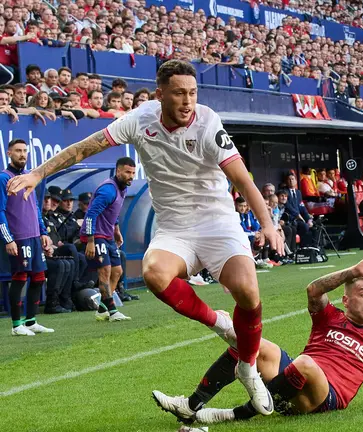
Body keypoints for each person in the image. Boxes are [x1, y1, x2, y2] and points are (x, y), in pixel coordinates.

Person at [6, 60, 281, 415]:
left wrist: (268, 224)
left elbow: (241, 179)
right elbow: (84, 148)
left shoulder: (208, 121)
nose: (188, 102)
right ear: (160, 94)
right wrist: (36, 174)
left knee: (248, 291)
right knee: (154, 274)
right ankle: (218, 322)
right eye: (179, 93)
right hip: (174, 227)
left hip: (218, 222)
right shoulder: (139, 120)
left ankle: (247, 367)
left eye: (193, 93)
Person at [152, 257, 363, 424]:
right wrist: (351, 272)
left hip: (324, 397)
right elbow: (314, 290)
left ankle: (234, 413)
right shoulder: (330, 316)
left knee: (306, 363)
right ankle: (191, 406)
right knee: (249, 343)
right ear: (346, 299)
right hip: (294, 378)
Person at [0, 139, 54, 336]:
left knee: (39, 278)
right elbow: (0, 211)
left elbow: (35, 208)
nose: (22, 154)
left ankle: (31, 321)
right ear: (9, 153)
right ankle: (16, 325)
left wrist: (43, 232)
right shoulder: (4, 178)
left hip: (34, 236)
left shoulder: (30, 176)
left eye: (24, 151)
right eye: (18, 151)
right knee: (20, 278)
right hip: (19, 237)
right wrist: (8, 239)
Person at [79, 157, 136, 322]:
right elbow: (91, 214)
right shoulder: (108, 190)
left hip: (108, 235)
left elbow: (113, 211)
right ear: (118, 171)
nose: (131, 176)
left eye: (133, 173)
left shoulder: (123, 188)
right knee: (105, 271)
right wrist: (90, 241)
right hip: (96, 235)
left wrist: (116, 230)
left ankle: (102, 310)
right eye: (127, 172)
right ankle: (112, 311)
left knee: (117, 271)